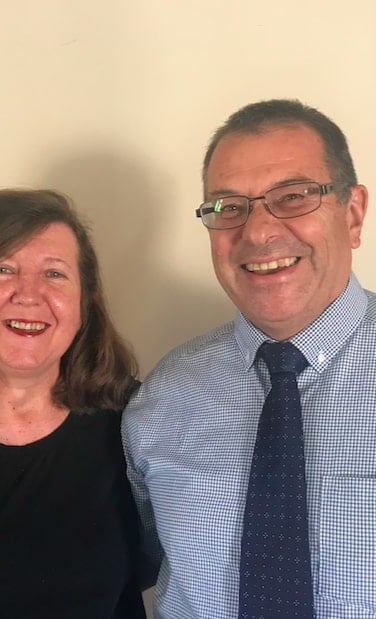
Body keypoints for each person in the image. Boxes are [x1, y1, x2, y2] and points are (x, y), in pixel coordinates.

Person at [122, 99, 375, 618]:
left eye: (294, 196)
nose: (257, 232)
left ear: (352, 214)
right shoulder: (163, 397)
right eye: (228, 207)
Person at [0, 189, 146, 618]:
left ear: (83, 303)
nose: (28, 294)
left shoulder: (140, 418)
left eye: (54, 274)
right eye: (2, 269)